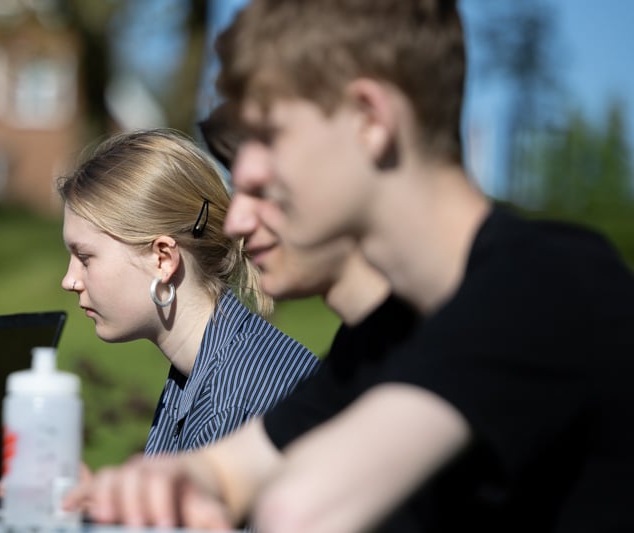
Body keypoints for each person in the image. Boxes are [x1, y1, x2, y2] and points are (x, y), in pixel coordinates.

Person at [67, 1, 634, 532]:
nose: (239, 214)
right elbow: (222, 472)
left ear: (370, 118)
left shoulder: (544, 283)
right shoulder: (383, 338)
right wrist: (137, 491)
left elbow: (297, 510)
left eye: (267, 136)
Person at [57, 128, 319, 455]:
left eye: (84, 258)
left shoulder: (230, 407)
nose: (70, 280)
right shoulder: (207, 365)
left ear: (163, 259)